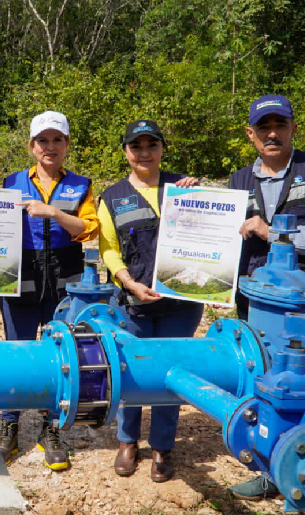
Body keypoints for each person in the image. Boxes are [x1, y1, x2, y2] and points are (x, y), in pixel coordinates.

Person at [98, 119, 203, 484]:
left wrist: (203, 195)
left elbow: (214, 230)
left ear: (162, 148)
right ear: (126, 152)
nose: (145, 153)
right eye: (136, 146)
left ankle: (162, 447)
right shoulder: (111, 196)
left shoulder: (184, 188)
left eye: (151, 145)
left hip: (181, 304)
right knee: (132, 371)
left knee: (171, 373)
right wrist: (128, 283)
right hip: (134, 302)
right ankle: (128, 441)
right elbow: (109, 251)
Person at [0, 111, 99, 469]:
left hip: (63, 278)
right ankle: (9, 425)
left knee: (60, 354)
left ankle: (49, 428)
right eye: (43, 140)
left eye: (57, 140)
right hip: (20, 275)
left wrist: (52, 213)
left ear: (67, 145)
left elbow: (88, 229)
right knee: (17, 351)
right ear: (31, 146)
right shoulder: (10, 183)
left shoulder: (82, 185)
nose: (50, 147)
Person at [227, 94, 304, 501]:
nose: (272, 134)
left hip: (299, 306)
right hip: (253, 304)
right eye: (263, 127)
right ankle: (269, 466)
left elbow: (268, 233)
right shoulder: (238, 182)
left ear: (294, 127)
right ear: (251, 134)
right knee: (262, 382)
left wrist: (272, 233)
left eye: (280, 125)